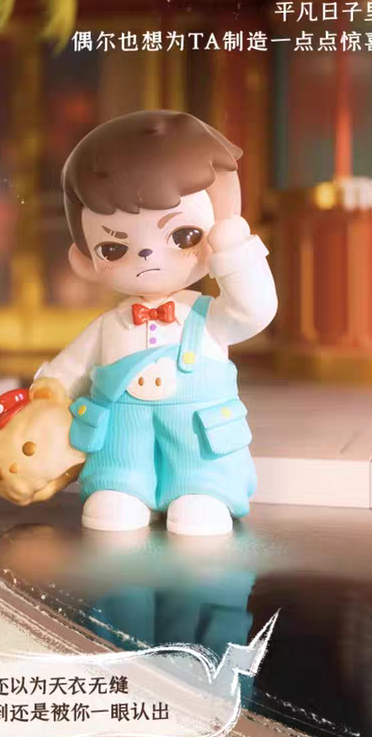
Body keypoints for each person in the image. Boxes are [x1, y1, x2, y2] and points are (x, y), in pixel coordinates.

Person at [31, 109, 277, 537]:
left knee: (201, 492)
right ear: (85, 259)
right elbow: (68, 370)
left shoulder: (205, 315)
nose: (147, 256)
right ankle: (120, 488)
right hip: (122, 441)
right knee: (115, 490)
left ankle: (204, 492)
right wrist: (45, 394)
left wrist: (234, 253)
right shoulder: (109, 325)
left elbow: (253, 310)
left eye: (182, 236)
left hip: (199, 439)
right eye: (112, 248)